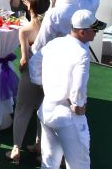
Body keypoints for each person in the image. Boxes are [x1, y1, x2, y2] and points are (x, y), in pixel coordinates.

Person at [37, 9, 105, 169]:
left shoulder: (55, 43)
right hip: (68, 117)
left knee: (49, 162)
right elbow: (79, 86)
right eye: (94, 30)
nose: (96, 33)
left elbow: (34, 63)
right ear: (83, 32)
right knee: (79, 164)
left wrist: (46, 86)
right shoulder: (82, 53)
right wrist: (78, 105)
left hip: (47, 111)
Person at [9, 0, 48, 164]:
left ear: (30, 7)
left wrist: (21, 66)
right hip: (48, 74)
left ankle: (16, 148)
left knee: (22, 110)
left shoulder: (25, 30)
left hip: (30, 74)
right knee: (42, 110)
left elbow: (24, 58)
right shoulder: (50, 27)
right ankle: (40, 145)